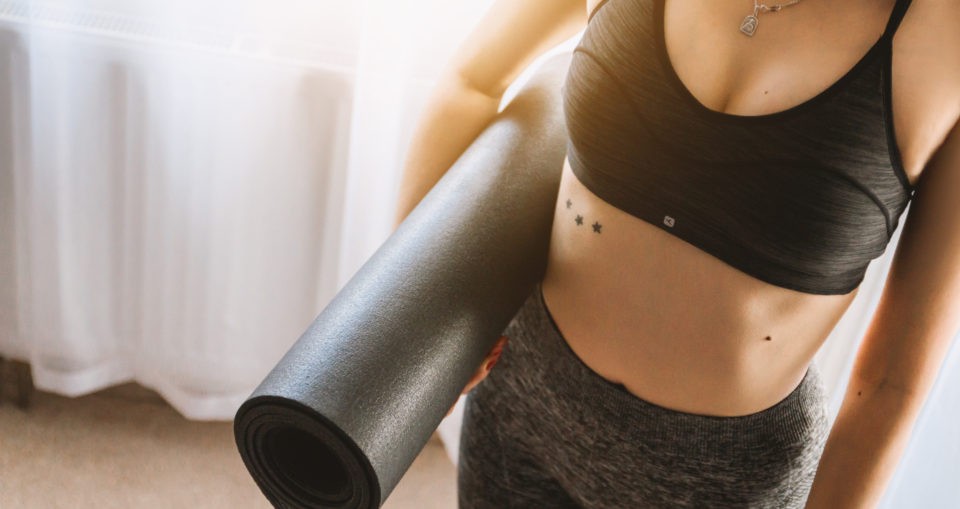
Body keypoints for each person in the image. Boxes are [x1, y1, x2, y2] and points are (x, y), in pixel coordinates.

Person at [394, 0, 960, 507]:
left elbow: (891, 383)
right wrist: (421, 330)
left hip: (727, 484)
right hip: (521, 403)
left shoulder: (945, 34)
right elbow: (472, 82)